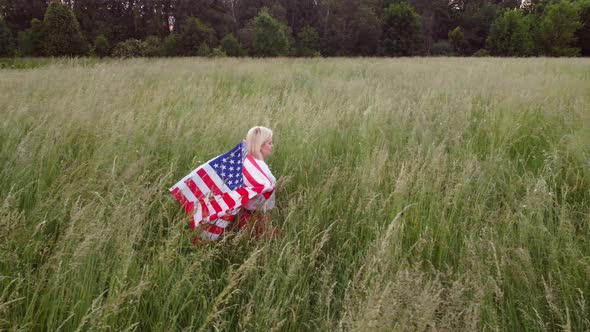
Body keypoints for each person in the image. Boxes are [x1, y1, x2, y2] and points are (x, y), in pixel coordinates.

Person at [238, 126, 278, 237]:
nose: (272, 146)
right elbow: (254, 190)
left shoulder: (257, 162)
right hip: (254, 216)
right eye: (269, 143)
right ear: (260, 145)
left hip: (259, 214)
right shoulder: (252, 165)